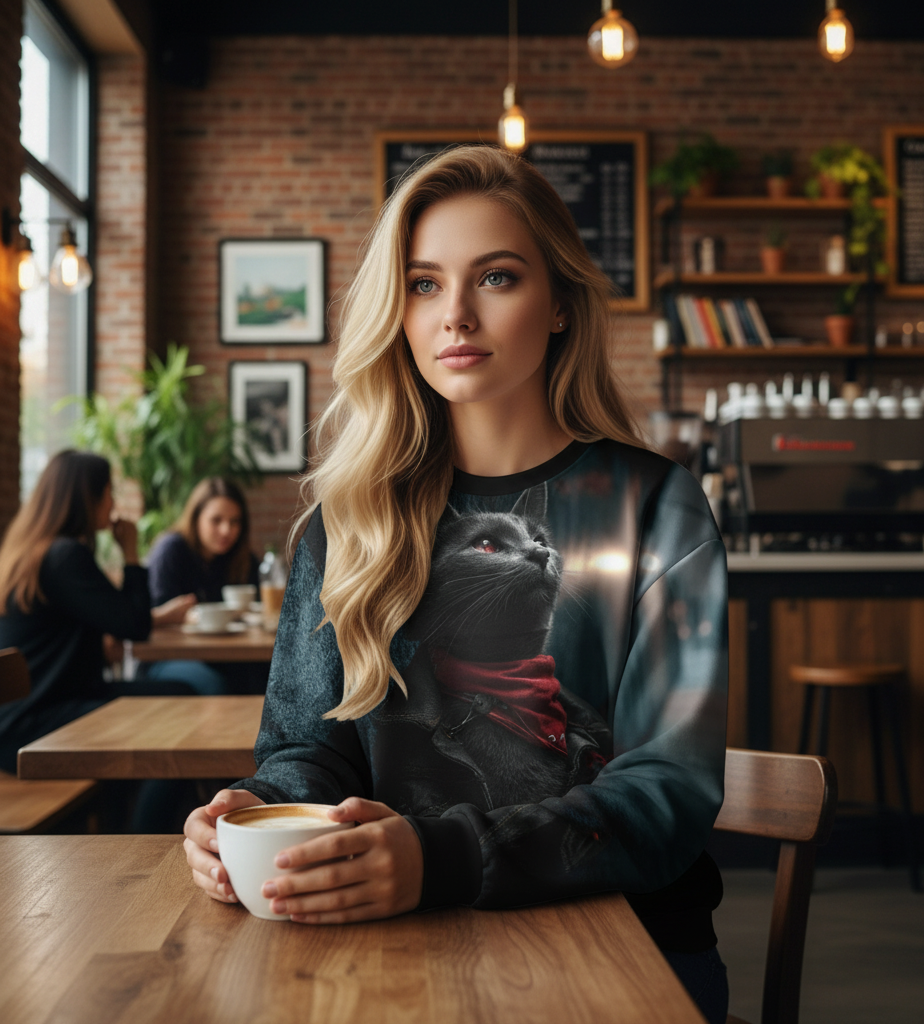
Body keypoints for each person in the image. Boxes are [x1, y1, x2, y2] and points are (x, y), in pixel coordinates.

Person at [183, 147, 729, 1022]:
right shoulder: (347, 519)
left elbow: (669, 790)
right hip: (383, 949)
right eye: (425, 284)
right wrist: (253, 815)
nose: (458, 316)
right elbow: (309, 751)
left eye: (498, 277)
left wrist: (436, 858)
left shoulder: (656, 505)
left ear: (558, 304)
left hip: (624, 952)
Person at [0, 450, 197, 776]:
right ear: (86, 498)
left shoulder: (36, 551)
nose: (113, 504)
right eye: (108, 493)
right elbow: (134, 624)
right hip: (38, 721)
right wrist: (131, 554)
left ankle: (136, 816)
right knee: (177, 711)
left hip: (35, 711)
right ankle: (142, 823)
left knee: (179, 696)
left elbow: (110, 617)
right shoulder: (65, 556)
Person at [144, 477, 263, 695]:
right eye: (216, 520)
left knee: (267, 676)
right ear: (196, 518)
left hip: (228, 654)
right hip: (169, 657)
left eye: (235, 521)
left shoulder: (241, 558)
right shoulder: (171, 551)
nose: (226, 530)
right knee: (214, 683)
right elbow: (160, 616)